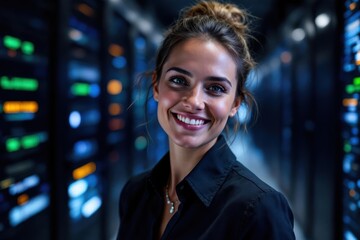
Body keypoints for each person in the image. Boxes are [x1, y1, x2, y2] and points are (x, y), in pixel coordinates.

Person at [117, 1, 295, 239]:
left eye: (215, 88)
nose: (194, 101)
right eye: (179, 80)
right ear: (156, 86)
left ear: (235, 103)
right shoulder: (135, 194)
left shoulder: (258, 210)